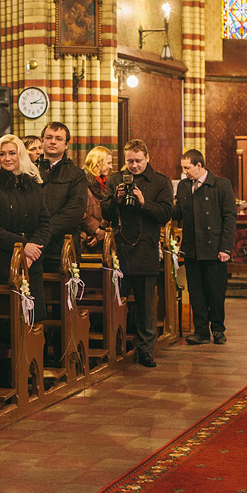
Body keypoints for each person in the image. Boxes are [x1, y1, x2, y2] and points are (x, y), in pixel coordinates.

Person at [102, 139, 173, 368]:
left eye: (138, 161)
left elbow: (166, 213)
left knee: (144, 305)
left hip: (146, 250)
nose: (133, 166)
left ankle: (145, 350)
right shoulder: (115, 180)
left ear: (147, 158)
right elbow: (105, 211)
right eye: (129, 161)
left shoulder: (160, 182)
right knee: (117, 302)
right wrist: (117, 199)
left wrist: (144, 202)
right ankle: (115, 346)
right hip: (120, 250)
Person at [0, 135, 51, 321]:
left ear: (21, 156)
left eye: (12, 153)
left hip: (32, 264)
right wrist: (23, 247)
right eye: (2, 154)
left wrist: (33, 250)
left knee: (33, 322)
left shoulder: (33, 186)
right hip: (0, 264)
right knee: (7, 325)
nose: (8, 158)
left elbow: (44, 222)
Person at [173, 149, 236, 346]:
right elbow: (177, 212)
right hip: (192, 248)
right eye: (183, 168)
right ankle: (200, 331)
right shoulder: (184, 186)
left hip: (214, 248)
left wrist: (225, 248)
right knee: (196, 292)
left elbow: (229, 217)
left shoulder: (221, 185)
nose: (184, 172)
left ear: (199, 165)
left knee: (216, 292)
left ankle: (218, 330)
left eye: (187, 168)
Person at [37, 122, 88, 271]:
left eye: (59, 138)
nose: (53, 141)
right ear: (42, 141)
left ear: (66, 145)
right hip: (33, 248)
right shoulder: (29, 171)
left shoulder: (76, 174)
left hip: (62, 248)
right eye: (49, 137)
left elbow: (74, 213)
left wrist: (42, 233)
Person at [81, 145, 112, 249]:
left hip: (102, 239)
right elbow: (78, 211)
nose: (111, 167)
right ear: (98, 162)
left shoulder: (106, 183)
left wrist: (102, 233)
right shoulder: (81, 181)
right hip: (85, 238)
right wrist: (96, 231)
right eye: (108, 163)